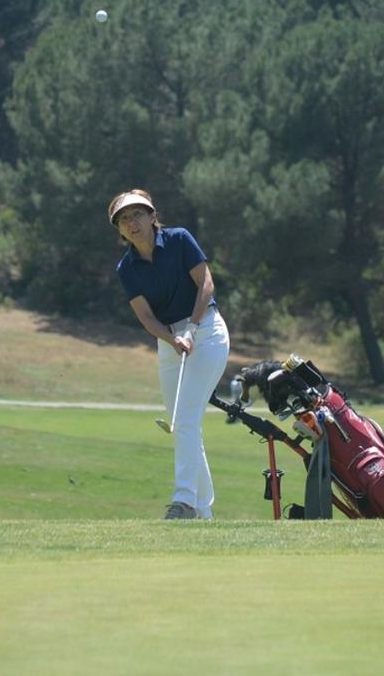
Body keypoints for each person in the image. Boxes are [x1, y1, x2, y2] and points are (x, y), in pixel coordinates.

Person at [110, 189, 230, 520]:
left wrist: (191, 327)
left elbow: (206, 284)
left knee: (186, 419)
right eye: (123, 219)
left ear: (152, 216)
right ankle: (203, 515)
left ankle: (184, 502)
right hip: (169, 342)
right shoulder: (127, 268)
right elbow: (146, 317)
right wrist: (173, 338)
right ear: (119, 230)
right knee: (182, 426)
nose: (131, 223)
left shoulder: (178, 239)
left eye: (137, 214)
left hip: (206, 333)